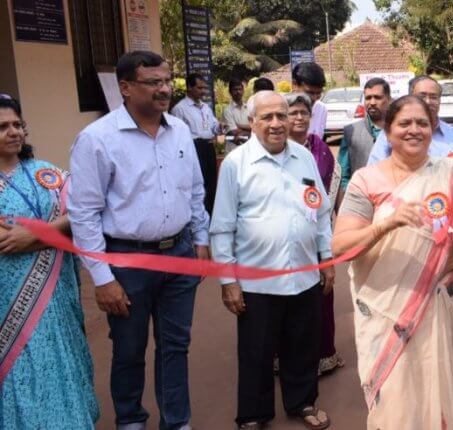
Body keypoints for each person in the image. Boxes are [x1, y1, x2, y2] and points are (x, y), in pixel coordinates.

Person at [332, 95, 453, 430]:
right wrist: (386, 224)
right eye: (404, 123)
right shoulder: (366, 180)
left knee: (441, 397)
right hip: (384, 311)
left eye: (422, 123)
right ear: (388, 132)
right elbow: (340, 246)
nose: (414, 130)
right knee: (392, 400)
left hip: (443, 305)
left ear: (433, 129)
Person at [69, 50, 210, 430]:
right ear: (126, 87)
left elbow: (194, 190)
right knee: (129, 350)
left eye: (168, 81)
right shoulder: (97, 139)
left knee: (175, 347)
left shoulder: (179, 129)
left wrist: (200, 241)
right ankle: (130, 420)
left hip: (179, 254)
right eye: (154, 83)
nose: (164, 90)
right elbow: (83, 213)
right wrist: (102, 277)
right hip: (127, 261)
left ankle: (177, 422)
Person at [211, 91, 333, 430]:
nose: (277, 123)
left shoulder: (304, 158)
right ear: (252, 122)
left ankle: (302, 402)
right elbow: (221, 228)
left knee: (302, 347)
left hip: (304, 275)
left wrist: (326, 258)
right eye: (267, 117)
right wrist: (227, 280)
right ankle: (253, 413)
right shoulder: (236, 164)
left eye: (282, 115)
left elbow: (321, 214)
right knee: (256, 352)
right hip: (256, 281)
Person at [0, 97, 99, 428]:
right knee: (16, 365)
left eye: (17, 124)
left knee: (56, 355)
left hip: (52, 296)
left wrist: (33, 236)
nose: (13, 132)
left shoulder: (49, 175)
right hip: (4, 298)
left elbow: (81, 212)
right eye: (3, 127)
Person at [286, 92, 342, 376]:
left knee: (321, 293)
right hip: (283, 235)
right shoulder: (276, 148)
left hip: (316, 232)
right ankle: (285, 356)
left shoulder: (320, 150)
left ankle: (323, 355)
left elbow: (328, 191)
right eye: (293, 113)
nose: (298, 118)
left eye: (303, 113)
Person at [366, 76, 453, 164]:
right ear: (410, 98)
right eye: (422, 96)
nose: (428, 101)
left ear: (439, 101)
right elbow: (374, 172)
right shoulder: (391, 133)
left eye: (433, 97)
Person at [336, 78, 391, 209]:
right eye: (368, 98)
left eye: (377, 97)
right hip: (361, 205)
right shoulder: (351, 132)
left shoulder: (399, 130)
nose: (372, 102)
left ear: (388, 99)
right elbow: (343, 175)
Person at [171, 73, 220, 215]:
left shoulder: (206, 107)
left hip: (209, 146)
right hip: (193, 148)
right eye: (199, 88)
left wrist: (219, 127)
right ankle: (199, 215)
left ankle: (211, 215)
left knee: (211, 182)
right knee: (198, 182)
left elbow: (213, 126)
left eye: (204, 88)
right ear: (189, 87)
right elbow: (176, 135)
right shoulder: (179, 109)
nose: (203, 91)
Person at [292, 62, 328, 138]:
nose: (314, 98)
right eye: (309, 93)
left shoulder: (321, 109)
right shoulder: (280, 109)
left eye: (318, 93)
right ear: (294, 84)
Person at [222, 79, 252, 151]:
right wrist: (251, 132)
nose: (238, 92)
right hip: (233, 150)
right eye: (235, 90)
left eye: (240, 89)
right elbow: (233, 132)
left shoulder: (249, 108)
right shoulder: (227, 111)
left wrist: (239, 126)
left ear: (243, 91)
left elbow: (257, 128)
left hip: (249, 150)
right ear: (230, 92)